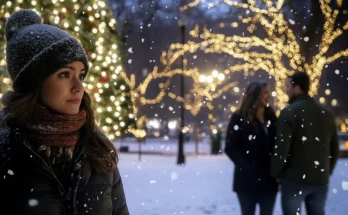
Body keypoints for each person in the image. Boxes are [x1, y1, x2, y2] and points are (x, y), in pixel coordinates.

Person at [0, 10, 129, 215]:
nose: (79, 87)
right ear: (34, 83)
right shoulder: (6, 149)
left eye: (81, 74)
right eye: (65, 74)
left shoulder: (97, 149)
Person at [271, 72, 339, 215]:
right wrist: (326, 171)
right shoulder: (326, 114)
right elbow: (334, 149)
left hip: (293, 179)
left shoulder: (288, 113)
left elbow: (282, 149)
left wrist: (275, 173)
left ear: (297, 88)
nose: (286, 90)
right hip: (320, 180)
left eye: (288, 86)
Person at [225, 81, 278, 215]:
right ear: (255, 95)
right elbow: (231, 147)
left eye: (269, 92)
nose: (268, 96)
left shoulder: (271, 116)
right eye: (265, 92)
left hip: (269, 181)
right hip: (246, 181)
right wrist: (248, 166)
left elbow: (277, 144)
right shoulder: (239, 118)